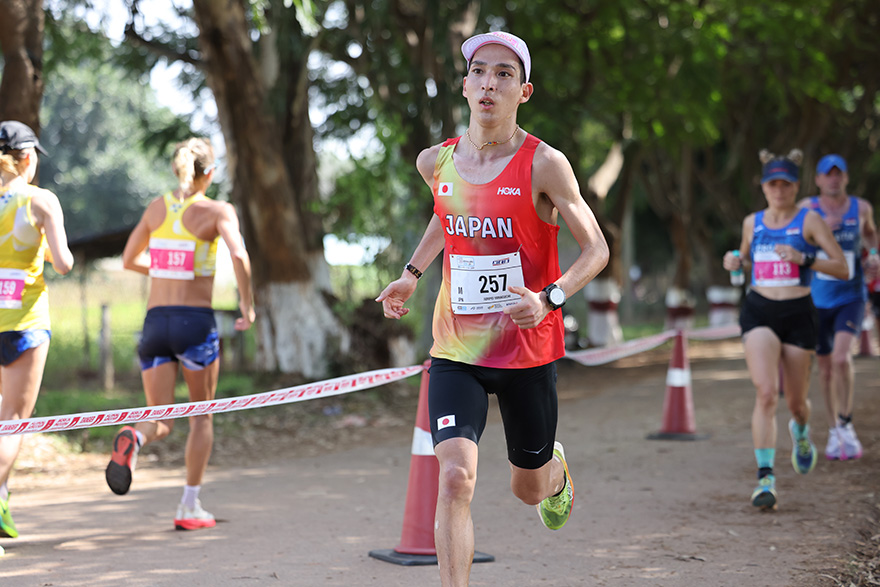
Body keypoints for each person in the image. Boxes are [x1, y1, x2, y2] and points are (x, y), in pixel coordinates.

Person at [376, 32, 609, 586]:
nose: (489, 83)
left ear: (523, 91)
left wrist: (550, 297)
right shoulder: (436, 161)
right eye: (480, 71)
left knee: (526, 487)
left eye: (505, 74)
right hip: (456, 348)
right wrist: (411, 275)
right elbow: (446, 213)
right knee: (455, 478)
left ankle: (553, 473)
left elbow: (597, 249)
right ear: (464, 85)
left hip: (528, 351)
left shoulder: (545, 164)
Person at [106, 137, 255, 530]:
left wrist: (164, 270)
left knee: (162, 417)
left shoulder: (157, 207)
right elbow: (239, 254)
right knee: (200, 418)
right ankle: (189, 506)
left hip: (155, 322)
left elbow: (128, 258)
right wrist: (247, 305)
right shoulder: (216, 209)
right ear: (210, 173)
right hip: (195, 323)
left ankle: (133, 439)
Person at [723, 149, 847, 511]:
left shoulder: (809, 221)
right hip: (759, 309)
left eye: (786, 184)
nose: (779, 190)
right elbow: (742, 260)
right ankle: (766, 478)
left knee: (796, 403)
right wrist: (734, 261)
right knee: (766, 393)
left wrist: (804, 258)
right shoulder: (752, 222)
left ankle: (801, 430)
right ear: (764, 187)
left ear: (796, 187)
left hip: (798, 314)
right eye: (772, 183)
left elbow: (842, 267)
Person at [0, 121, 74, 543]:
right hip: (24, 324)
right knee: (12, 422)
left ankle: (4, 499)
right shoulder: (40, 200)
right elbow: (62, 263)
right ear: (27, 158)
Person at [797, 154, 878, 460]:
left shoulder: (862, 208)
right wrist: (821, 233)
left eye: (838, 174)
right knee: (826, 367)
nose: (833, 179)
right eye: (827, 174)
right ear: (817, 180)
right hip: (816, 299)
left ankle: (846, 422)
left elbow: (871, 237)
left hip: (850, 295)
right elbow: (797, 246)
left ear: (845, 178)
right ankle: (833, 431)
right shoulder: (808, 209)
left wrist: (873, 256)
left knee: (843, 358)